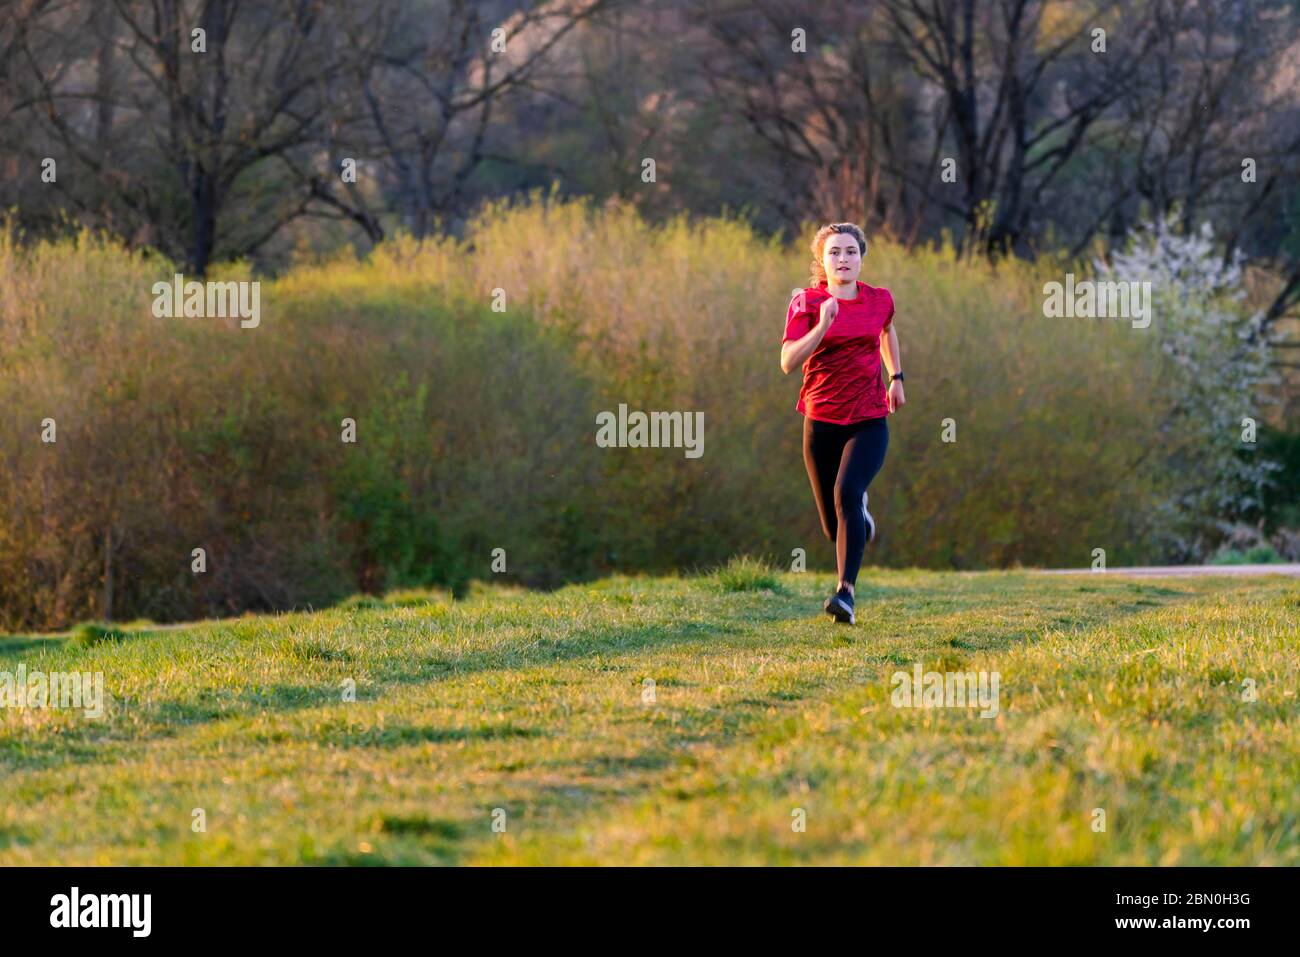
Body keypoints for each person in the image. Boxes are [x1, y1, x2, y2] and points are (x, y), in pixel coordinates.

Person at [779, 223, 905, 625]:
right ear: (822, 261)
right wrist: (822, 326)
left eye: (851, 252)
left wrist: (896, 377)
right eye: (834, 253)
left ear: (861, 258)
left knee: (848, 492)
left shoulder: (878, 299)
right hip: (820, 422)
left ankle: (845, 595)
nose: (843, 259)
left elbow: (886, 330)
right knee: (835, 528)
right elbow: (787, 362)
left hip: (868, 419)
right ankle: (860, 521)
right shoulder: (807, 303)